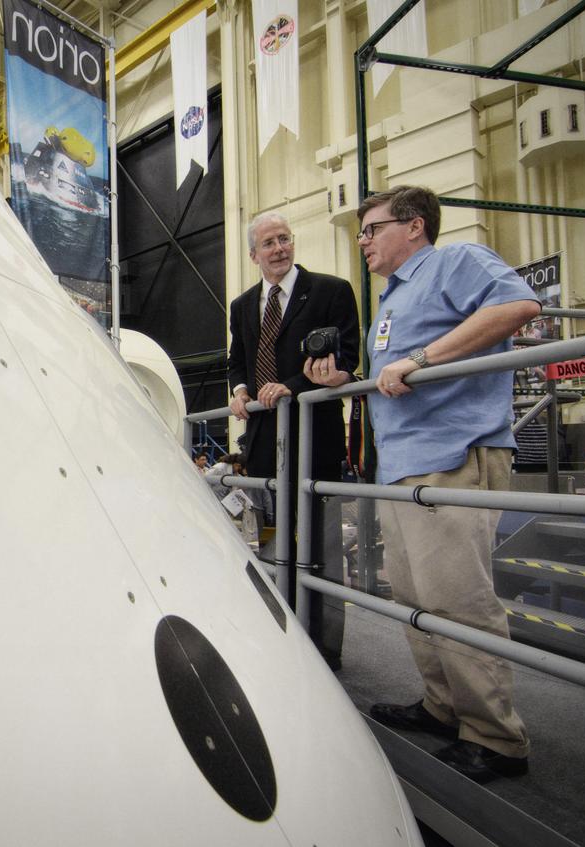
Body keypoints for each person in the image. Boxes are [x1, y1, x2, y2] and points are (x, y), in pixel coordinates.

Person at [353, 185, 540, 782]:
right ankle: (443, 707)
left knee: (458, 600)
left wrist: (423, 360)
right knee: (414, 595)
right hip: (404, 462)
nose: (363, 241)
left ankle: (494, 736)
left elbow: (517, 306)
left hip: (453, 454)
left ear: (413, 227)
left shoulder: (456, 262)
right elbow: (395, 370)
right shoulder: (391, 298)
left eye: (372, 228)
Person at [226, 211, 359, 669]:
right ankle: (276, 630)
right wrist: (241, 391)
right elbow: (237, 361)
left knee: (320, 546)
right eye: (269, 243)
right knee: (269, 541)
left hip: (313, 436)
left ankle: (324, 648)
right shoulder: (243, 306)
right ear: (253, 255)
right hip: (263, 440)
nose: (279, 248)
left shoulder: (331, 291)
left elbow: (347, 358)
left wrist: (293, 388)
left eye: (285, 239)